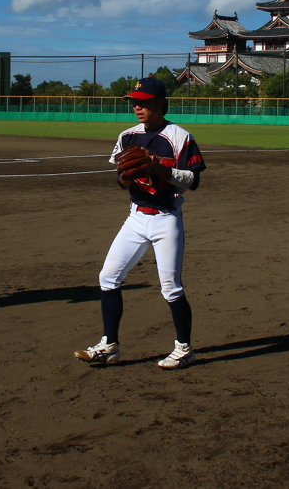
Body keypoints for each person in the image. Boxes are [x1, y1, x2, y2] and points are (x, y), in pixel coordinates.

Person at [74, 77, 206, 369]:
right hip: (135, 218)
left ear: (160, 102)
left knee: (170, 288)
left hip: (166, 218)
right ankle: (109, 346)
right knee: (108, 278)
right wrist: (126, 175)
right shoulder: (127, 136)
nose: (137, 107)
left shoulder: (179, 136)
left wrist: (159, 168)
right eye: (134, 102)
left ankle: (184, 349)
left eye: (144, 102)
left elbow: (194, 180)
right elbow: (121, 181)